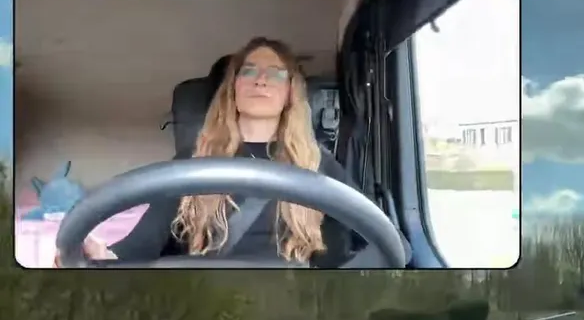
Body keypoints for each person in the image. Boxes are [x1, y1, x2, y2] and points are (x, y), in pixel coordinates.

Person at [57, 37, 363, 268]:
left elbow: (368, 242)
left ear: (290, 93)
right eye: (248, 71)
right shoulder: (194, 164)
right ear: (233, 88)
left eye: (276, 74)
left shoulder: (317, 164)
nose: (261, 79)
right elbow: (143, 242)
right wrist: (100, 258)